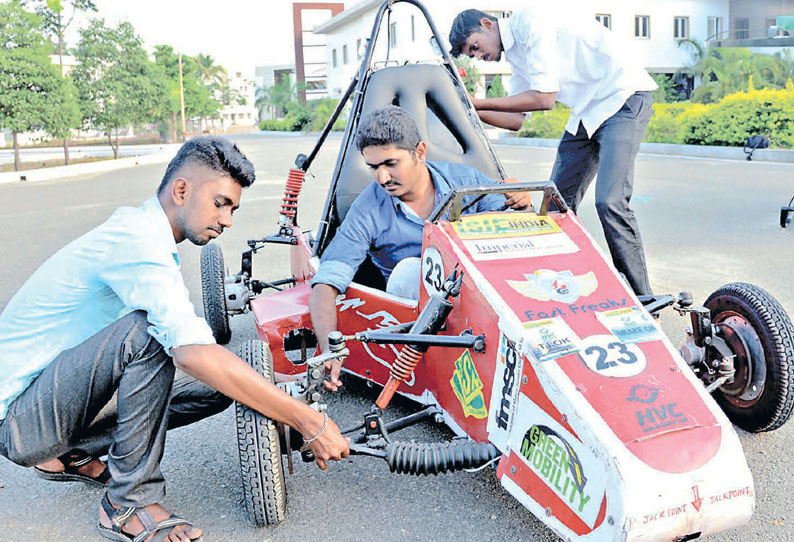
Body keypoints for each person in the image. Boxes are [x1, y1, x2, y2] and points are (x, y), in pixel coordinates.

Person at [0, 136, 349, 542]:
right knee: (153, 335)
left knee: (220, 384)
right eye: (220, 202)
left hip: (53, 403)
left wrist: (276, 400)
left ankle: (68, 454)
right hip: (20, 420)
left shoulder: (149, 238)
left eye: (234, 208)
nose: (228, 220)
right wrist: (307, 420)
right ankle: (126, 502)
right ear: (181, 190)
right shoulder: (137, 240)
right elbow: (188, 351)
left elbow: (205, 359)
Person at [309, 105, 531, 391]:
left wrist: (521, 201)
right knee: (407, 271)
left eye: (391, 163)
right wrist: (331, 349)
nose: (383, 179)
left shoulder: (467, 182)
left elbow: (519, 236)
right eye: (374, 168)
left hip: (483, 296)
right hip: (422, 318)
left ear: (420, 152)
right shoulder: (367, 209)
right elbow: (325, 282)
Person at [448, 6, 658, 296]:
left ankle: (646, 300)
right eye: (472, 55)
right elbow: (516, 120)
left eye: (475, 47)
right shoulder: (516, 56)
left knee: (610, 202)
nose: (479, 56)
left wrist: (476, 103)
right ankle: (562, 289)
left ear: (487, 24)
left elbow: (545, 99)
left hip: (622, 97)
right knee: (556, 206)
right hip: (587, 111)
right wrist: (467, 108)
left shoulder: (528, 21)